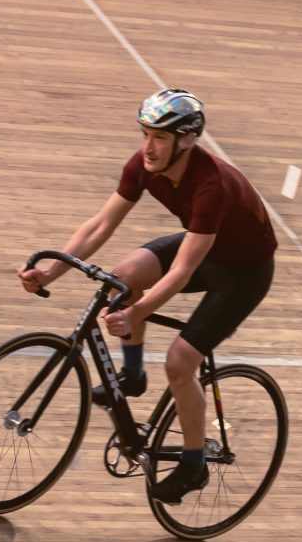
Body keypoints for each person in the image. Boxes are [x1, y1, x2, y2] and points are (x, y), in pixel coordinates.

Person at [19, 88, 280, 504]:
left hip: (243, 273)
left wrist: (136, 312)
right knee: (119, 280)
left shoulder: (211, 185)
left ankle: (193, 464)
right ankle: (134, 375)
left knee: (180, 362)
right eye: (144, 134)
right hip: (205, 246)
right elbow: (100, 225)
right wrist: (52, 271)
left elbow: (182, 272)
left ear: (187, 140)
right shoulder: (143, 166)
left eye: (159, 137)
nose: (148, 147)